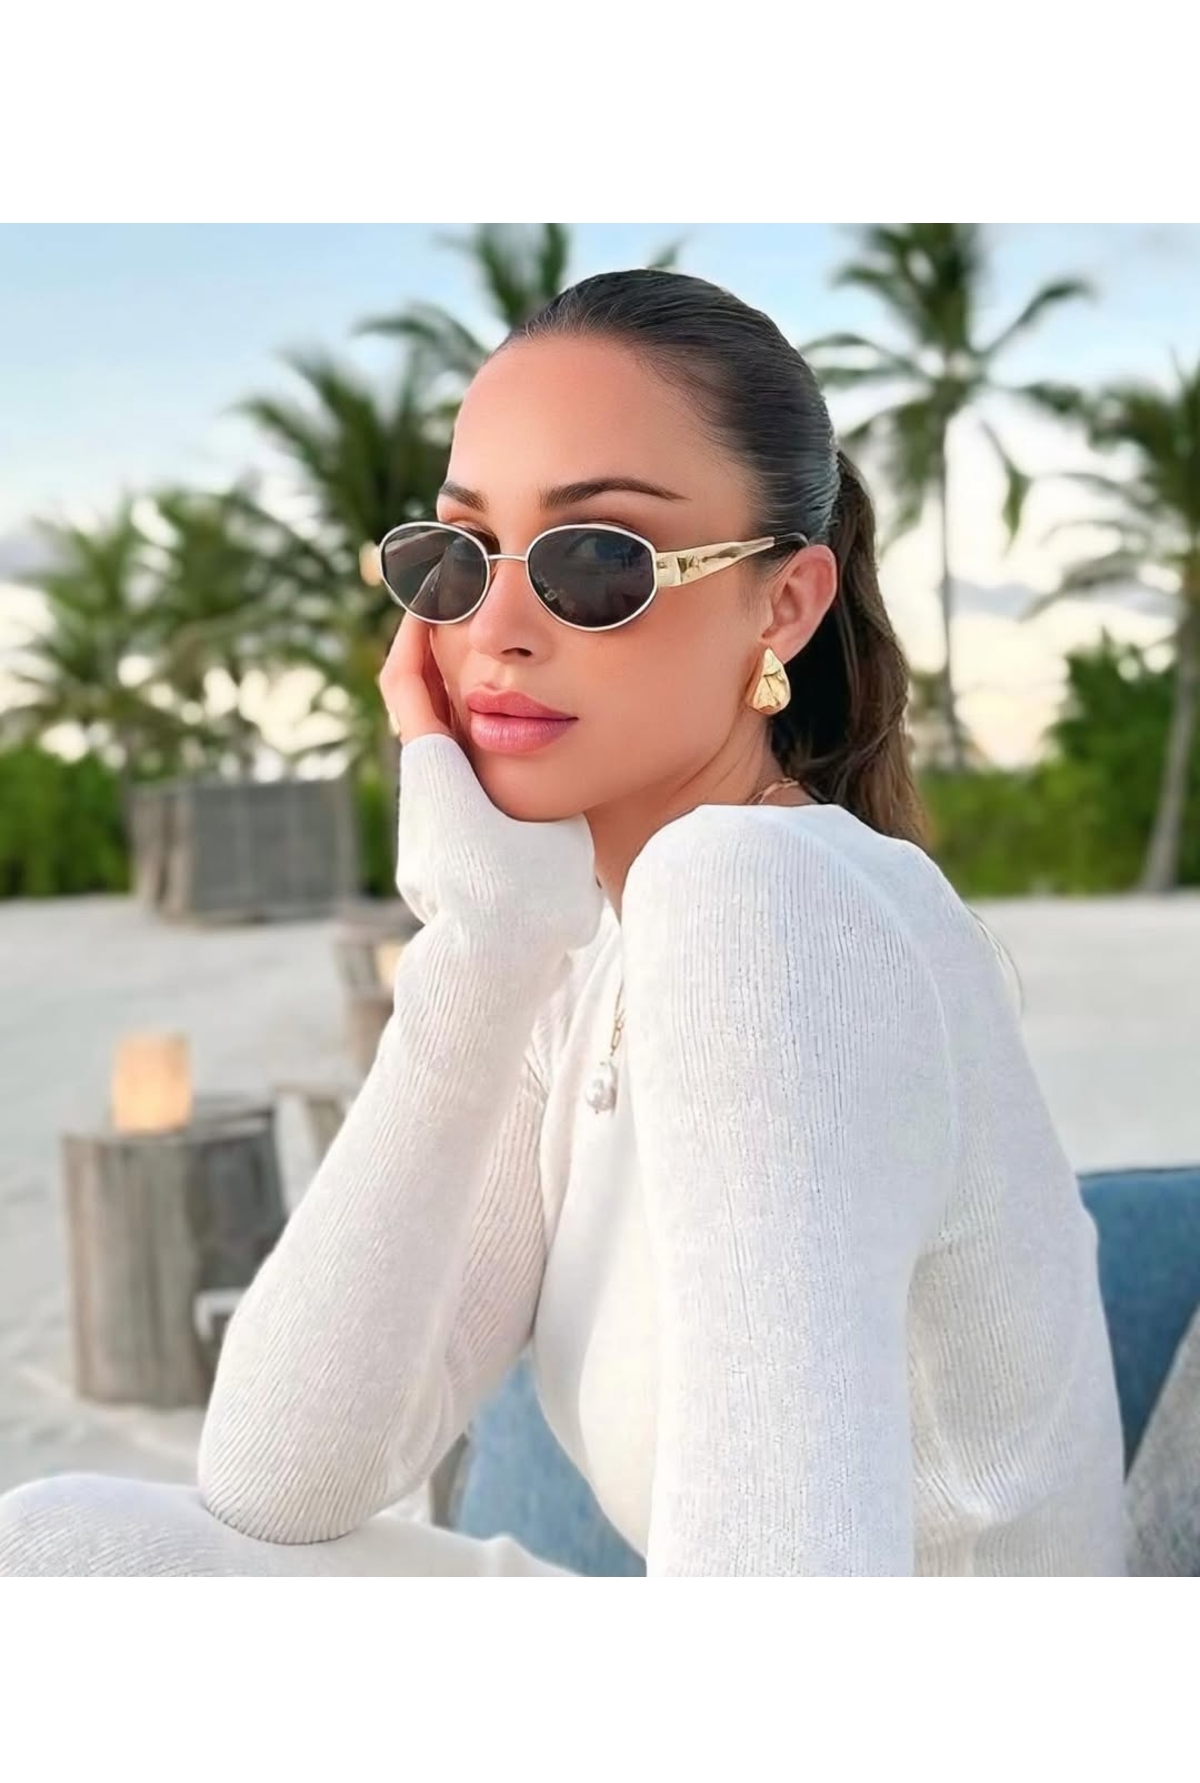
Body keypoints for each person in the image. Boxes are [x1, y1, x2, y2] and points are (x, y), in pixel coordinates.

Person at [0, 267, 1127, 1577]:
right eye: (455, 557)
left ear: (786, 603)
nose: (496, 629)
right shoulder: (591, 949)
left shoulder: (766, 899)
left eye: (597, 561)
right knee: (59, 1551)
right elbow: (280, 1476)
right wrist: (484, 940)